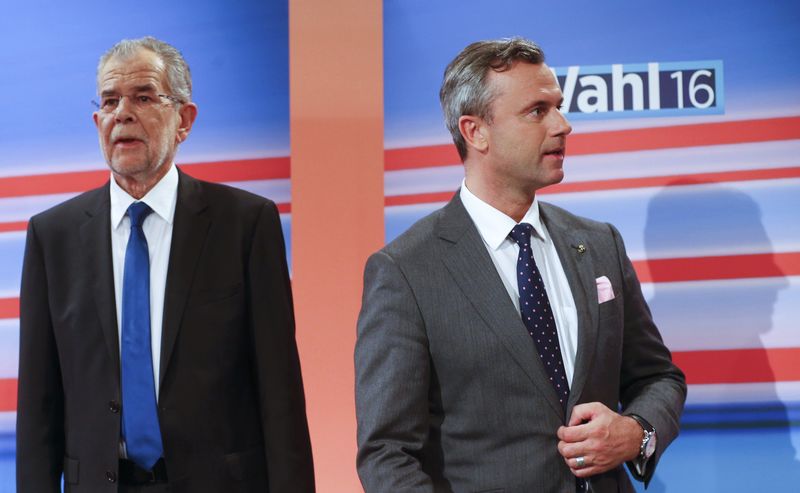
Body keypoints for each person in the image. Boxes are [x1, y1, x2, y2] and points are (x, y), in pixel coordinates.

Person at [355, 37, 686, 493]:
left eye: (559, 106)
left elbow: (657, 378)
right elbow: (387, 454)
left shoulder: (599, 242)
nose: (563, 125)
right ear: (475, 132)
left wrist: (637, 433)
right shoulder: (407, 271)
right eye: (537, 111)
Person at [16, 37, 315, 493]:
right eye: (111, 101)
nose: (123, 114)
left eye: (143, 97)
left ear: (184, 120)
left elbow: (280, 395)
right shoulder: (51, 237)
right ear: (98, 122)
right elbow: (38, 407)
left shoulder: (245, 224)